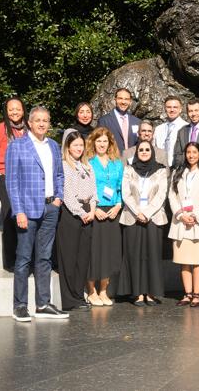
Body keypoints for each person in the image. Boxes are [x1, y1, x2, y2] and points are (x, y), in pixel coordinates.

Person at [5, 105, 67, 321]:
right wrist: (18, 211)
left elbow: (59, 174)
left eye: (45, 120)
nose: (42, 123)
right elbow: (11, 182)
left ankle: (43, 304)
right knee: (23, 258)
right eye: (37, 120)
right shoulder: (17, 146)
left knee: (44, 258)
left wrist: (58, 198)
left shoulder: (53, 145)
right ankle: (20, 305)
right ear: (29, 123)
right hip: (27, 210)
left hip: (51, 208)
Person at [118, 140, 169, 306]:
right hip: (132, 217)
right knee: (134, 255)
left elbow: (162, 194)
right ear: (136, 152)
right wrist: (138, 211)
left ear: (152, 152)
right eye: (141, 150)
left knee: (152, 255)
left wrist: (146, 213)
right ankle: (138, 293)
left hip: (153, 217)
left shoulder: (161, 170)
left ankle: (151, 292)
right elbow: (125, 193)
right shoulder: (129, 169)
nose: (145, 152)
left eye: (148, 149)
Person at [0, 97, 27, 272]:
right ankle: (11, 261)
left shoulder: (28, 129)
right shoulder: (0, 129)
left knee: (24, 214)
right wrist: (0, 169)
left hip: (23, 178)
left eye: (17, 109)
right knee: (10, 212)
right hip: (3, 175)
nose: (14, 112)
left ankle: (24, 256)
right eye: (11, 109)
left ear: (23, 110)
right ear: (6, 111)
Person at [169, 142, 199, 307]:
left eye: (195, 152)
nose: (191, 155)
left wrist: (195, 216)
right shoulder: (178, 173)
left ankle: (196, 294)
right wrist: (181, 215)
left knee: (198, 261)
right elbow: (172, 197)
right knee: (184, 261)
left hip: (198, 223)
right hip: (181, 223)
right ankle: (187, 294)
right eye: (188, 152)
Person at [56, 129, 96, 311]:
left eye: (81, 145)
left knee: (83, 258)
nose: (79, 148)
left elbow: (94, 191)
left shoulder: (87, 166)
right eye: (75, 145)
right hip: (72, 214)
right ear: (68, 147)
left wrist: (92, 210)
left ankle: (79, 295)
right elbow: (67, 194)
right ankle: (69, 299)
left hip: (89, 213)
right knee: (69, 258)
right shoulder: (64, 166)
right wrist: (81, 213)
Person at [85, 127, 124, 306]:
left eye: (105, 141)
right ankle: (91, 290)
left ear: (110, 144)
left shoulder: (117, 163)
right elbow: (85, 188)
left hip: (112, 211)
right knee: (94, 252)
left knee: (108, 252)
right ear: (93, 142)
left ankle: (103, 290)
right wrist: (94, 209)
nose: (102, 144)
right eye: (99, 141)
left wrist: (118, 205)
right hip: (95, 210)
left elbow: (120, 187)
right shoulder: (88, 162)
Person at [154, 96, 189, 167]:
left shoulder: (187, 128)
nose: (172, 110)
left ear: (180, 109)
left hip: (179, 168)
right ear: (165, 109)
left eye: (175, 107)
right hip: (159, 169)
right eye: (169, 107)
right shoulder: (158, 129)